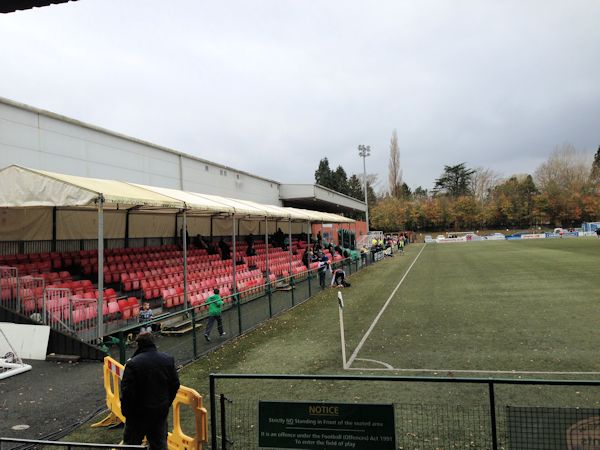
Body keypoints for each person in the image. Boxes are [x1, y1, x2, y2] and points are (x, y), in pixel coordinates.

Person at [120, 333, 180, 450]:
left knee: (131, 445)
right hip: (159, 411)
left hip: (137, 415)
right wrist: (166, 402)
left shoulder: (133, 364)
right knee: (159, 444)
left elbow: (127, 392)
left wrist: (127, 412)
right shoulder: (167, 360)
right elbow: (175, 384)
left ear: (138, 344)